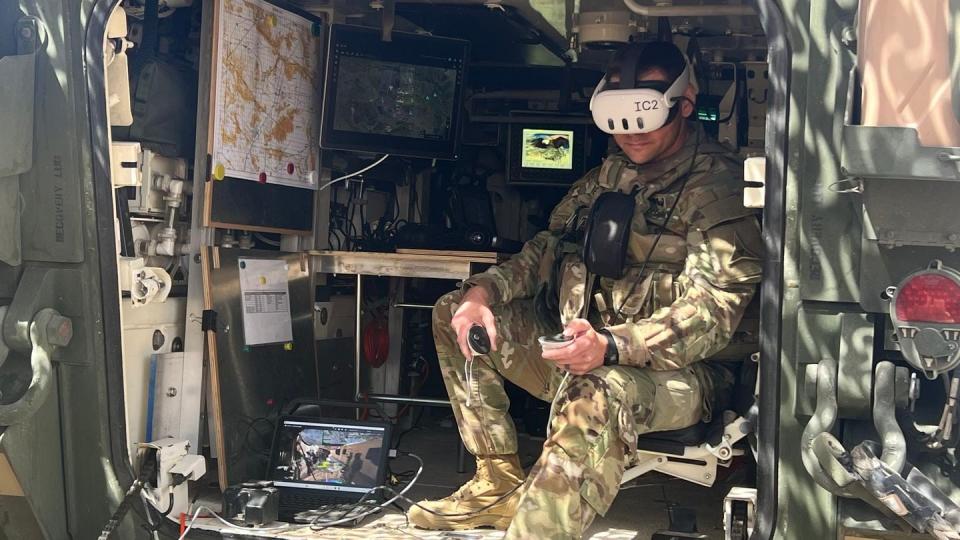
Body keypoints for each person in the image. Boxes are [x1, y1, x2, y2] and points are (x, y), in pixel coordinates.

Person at [407, 40, 763, 539]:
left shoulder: (718, 190)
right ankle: (497, 483)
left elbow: (714, 313)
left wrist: (614, 346)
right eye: (619, 124)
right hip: (583, 351)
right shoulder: (611, 175)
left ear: (683, 107)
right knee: (454, 312)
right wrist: (482, 293)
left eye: (644, 121)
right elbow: (548, 248)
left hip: (683, 378)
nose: (630, 137)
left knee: (597, 389)